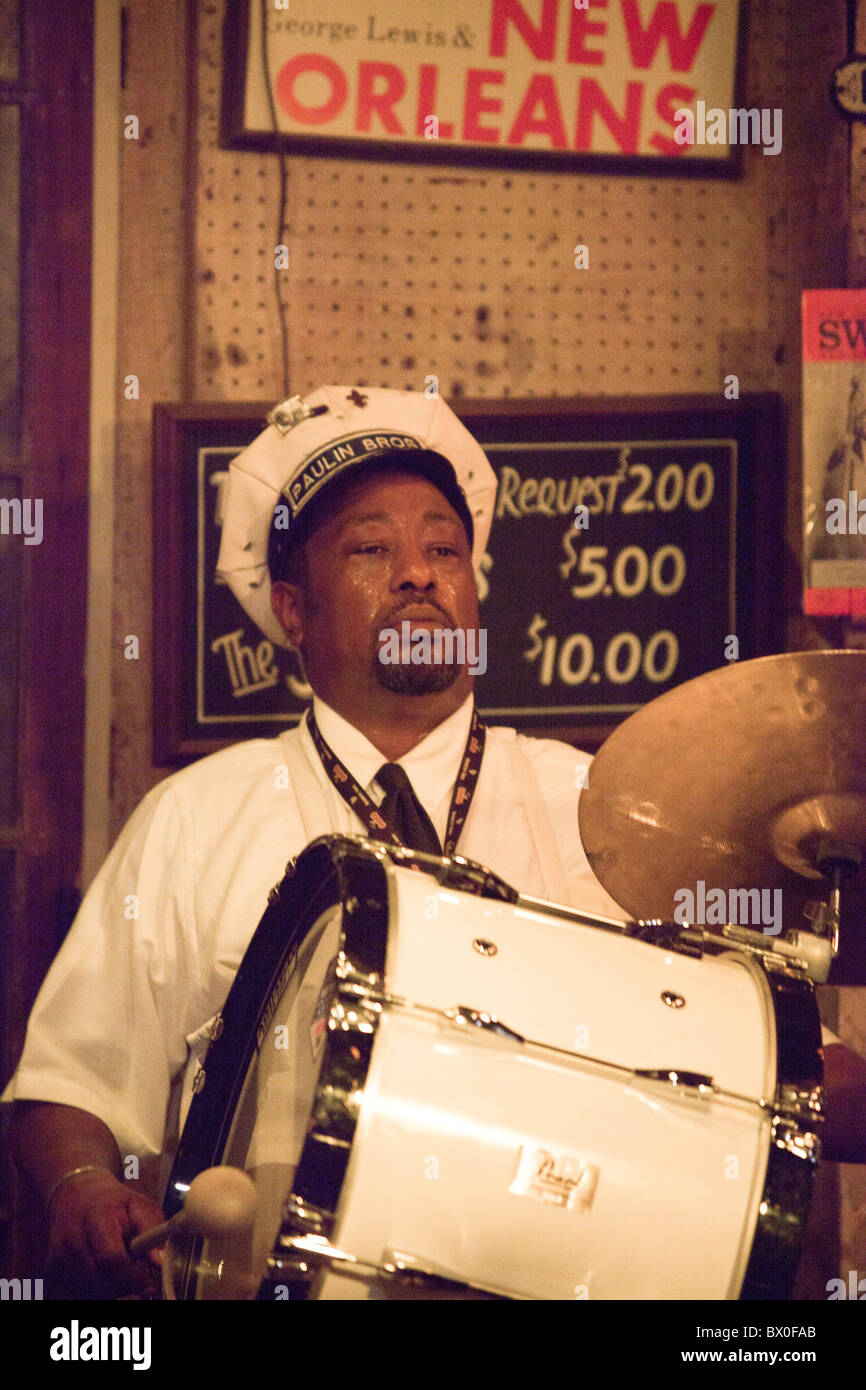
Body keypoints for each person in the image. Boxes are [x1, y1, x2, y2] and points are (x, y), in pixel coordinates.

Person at [7, 386, 866, 1298]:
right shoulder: (193, 818)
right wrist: (83, 1184)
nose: (418, 573)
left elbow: (779, 1062)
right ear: (293, 611)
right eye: (373, 549)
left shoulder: (607, 807)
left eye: (443, 549)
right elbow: (72, 1082)